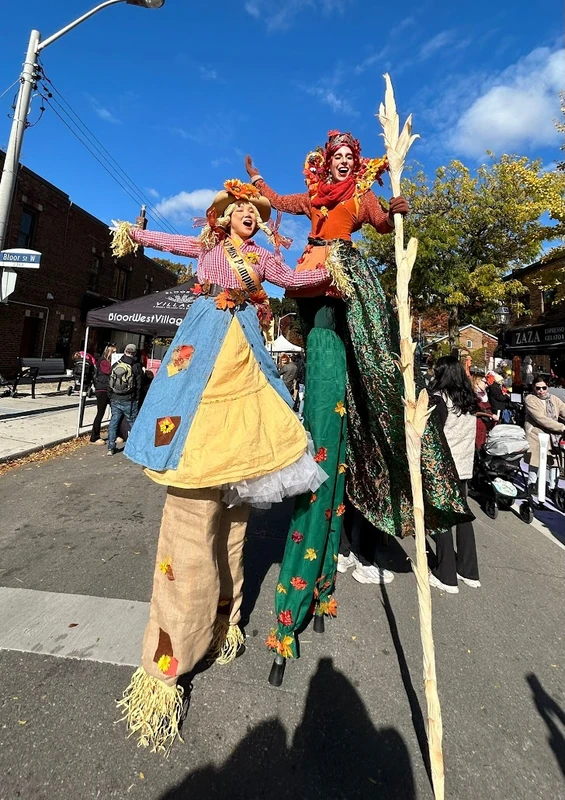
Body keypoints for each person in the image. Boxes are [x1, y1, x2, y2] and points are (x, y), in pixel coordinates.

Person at [110, 179, 331, 752]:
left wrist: (335, 266)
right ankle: (169, 662)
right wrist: (132, 234)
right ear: (225, 217)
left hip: (249, 354)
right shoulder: (208, 250)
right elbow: (169, 244)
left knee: (235, 516)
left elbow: (295, 279)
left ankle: (222, 626)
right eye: (241, 212)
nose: (250, 218)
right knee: (192, 511)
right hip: (205, 348)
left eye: (256, 213)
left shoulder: (262, 258)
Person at [246, 133, 470, 657]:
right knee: (321, 366)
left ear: (355, 161)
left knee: (364, 374)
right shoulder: (315, 197)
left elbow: (382, 223)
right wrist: (257, 184)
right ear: (326, 162)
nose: (342, 161)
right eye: (336, 156)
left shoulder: (357, 195)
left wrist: (394, 211)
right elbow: (278, 202)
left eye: (349, 156)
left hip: (347, 281)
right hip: (311, 281)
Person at [429, 357, 480, 593]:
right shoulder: (469, 399)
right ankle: (469, 571)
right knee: (462, 517)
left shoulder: (440, 399)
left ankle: (446, 574)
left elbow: (433, 435)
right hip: (464, 466)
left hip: (444, 466)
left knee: (442, 517)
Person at [524, 375, 565, 498]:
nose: (541, 391)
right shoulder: (530, 399)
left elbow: (563, 410)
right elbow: (541, 419)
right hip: (537, 433)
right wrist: (562, 427)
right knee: (535, 459)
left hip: (554, 435)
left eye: (544, 388)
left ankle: (553, 487)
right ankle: (532, 483)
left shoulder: (554, 399)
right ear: (533, 388)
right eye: (538, 388)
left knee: (555, 460)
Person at [107, 343, 143, 455]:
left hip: (115, 398)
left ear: (125, 351)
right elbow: (139, 385)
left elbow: (110, 382)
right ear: (135, 353)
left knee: (113, 423)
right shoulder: (136, 366)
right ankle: (133, 448)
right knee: (133, 423)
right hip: (129, 399)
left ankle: (111, 448)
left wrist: (110, 397)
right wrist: (137, 398)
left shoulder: (116, 364)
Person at [90, 345, 116, 445]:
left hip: (110, 389)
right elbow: (108, 372)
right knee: (100, 413)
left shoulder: (109, 362)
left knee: (116, 412)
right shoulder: (103, 361)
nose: (115, 354)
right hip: (102, 389)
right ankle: (94, 436)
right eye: (113, 352)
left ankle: (114, 433)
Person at [472, 374, 495, 450]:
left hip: (484, 426)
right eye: (485, 382)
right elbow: (474, 411)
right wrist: (489, 416)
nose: (487, 384)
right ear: (477, 381)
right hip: (475, 426)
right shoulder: (472, 395)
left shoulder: (484, 395)